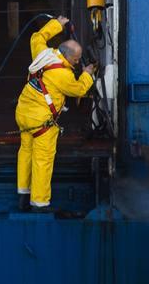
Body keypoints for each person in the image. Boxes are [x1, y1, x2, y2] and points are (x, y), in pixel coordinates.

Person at [15, 15, 96, 212]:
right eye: (76, 60)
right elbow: (78, 90)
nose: (77, 63)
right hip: (41, 123)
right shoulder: (63, 75)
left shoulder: (43, 53)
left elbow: (37, 37)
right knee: (42, 160)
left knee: (26, 152)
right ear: (67, 57)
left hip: (23, 114)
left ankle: (23, 195)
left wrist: (56, 25)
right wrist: (87, 74)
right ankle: (40, 204)